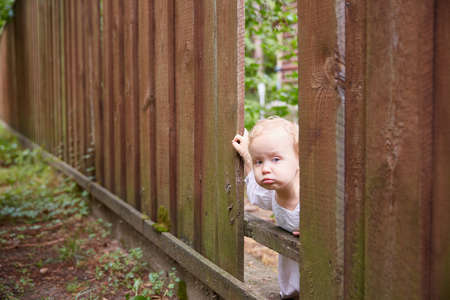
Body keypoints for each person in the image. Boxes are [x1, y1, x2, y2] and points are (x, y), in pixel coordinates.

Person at [232, 116, 299, 299]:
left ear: (299, 159)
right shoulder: (272, 194)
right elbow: (254, 191)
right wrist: (247, 156)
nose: (265, 169)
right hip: (292, 286)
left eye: (276, 159)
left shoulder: (313, 197)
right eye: (259, 162)